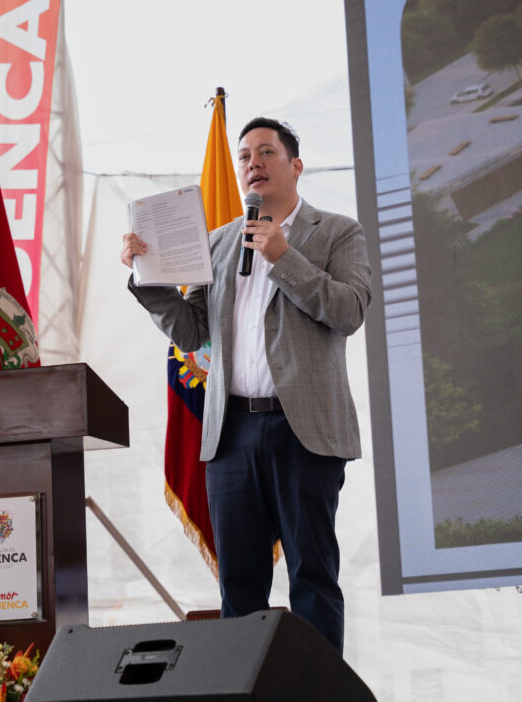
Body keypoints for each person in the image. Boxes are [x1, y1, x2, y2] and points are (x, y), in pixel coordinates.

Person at [121, 117, 371, 652]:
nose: (252, 163)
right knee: (238, 585)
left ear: (295, 165)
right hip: (231, 434)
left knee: (312, 577)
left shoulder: (336, 232)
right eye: (244, 156)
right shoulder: (218, 243)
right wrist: (149, 278)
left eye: (265, 152)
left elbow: (348, 311)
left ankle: (317, 695)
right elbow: (192, 332)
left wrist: (283, 256)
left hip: (302, 431)